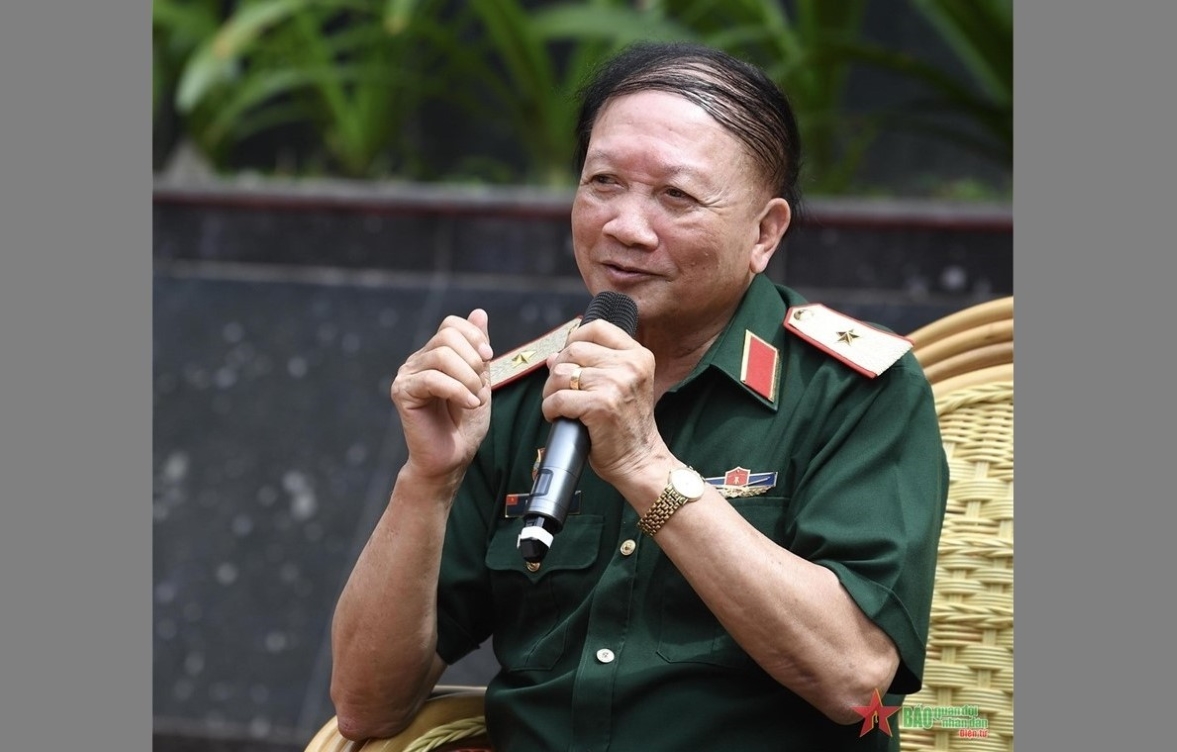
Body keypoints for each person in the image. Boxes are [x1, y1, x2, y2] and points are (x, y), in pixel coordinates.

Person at [329, 41, 947, 751]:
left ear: (764, 232)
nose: (623, 226)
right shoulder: (516, 397)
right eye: (602, 182)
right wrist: (428, 480)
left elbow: (856, 681)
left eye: (675, 196)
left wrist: (644, 465)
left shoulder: (853, 390)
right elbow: (366, 708)